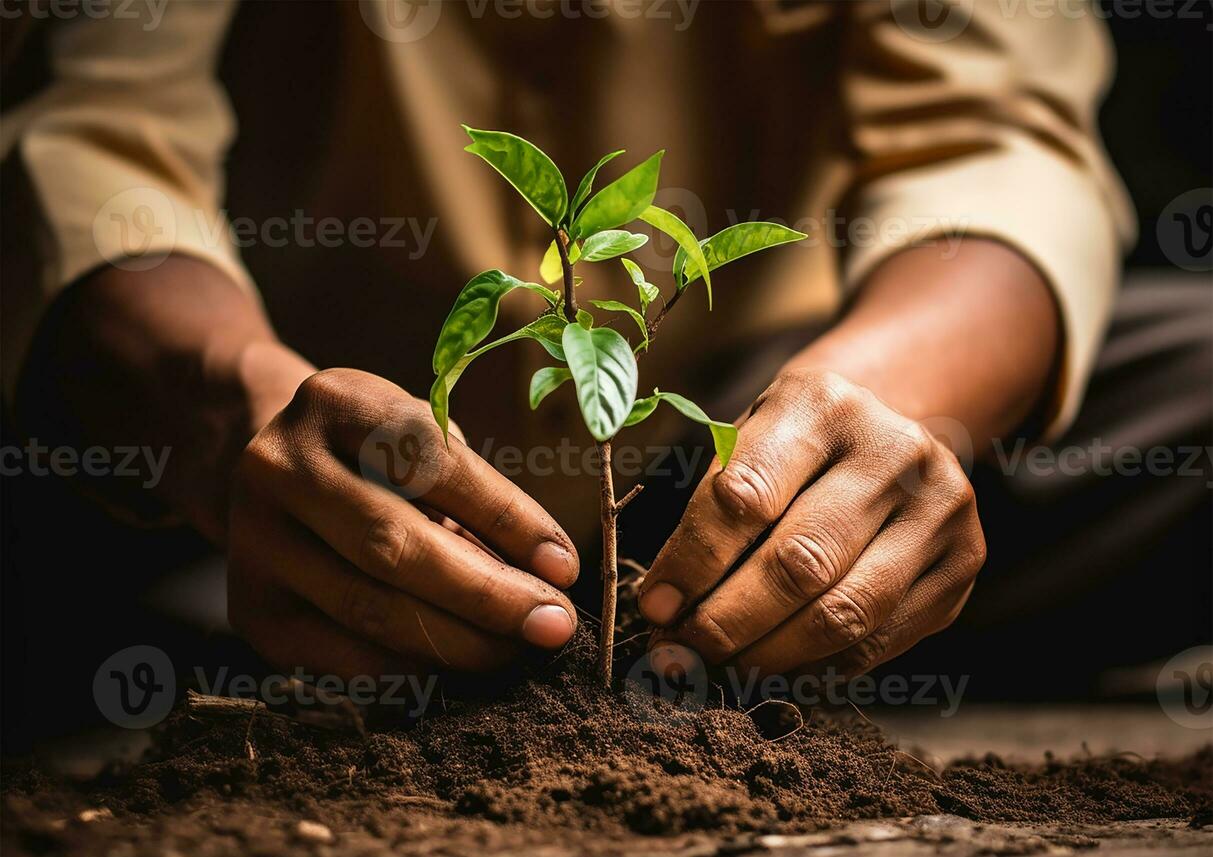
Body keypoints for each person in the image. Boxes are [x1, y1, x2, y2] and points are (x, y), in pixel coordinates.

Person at [4, 1, 1198, 698]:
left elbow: (995, 131)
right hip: (295, 464)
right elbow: (90, 129)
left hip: (741, 437)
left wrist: (897, 401)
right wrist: (233, 412)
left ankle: (816, 563)